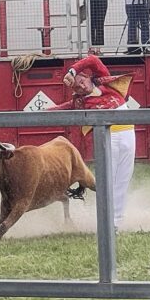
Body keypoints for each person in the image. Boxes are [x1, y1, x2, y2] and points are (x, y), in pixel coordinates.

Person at [49, 54, 135, 229]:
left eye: (81, 81)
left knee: (123, 179)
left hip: (128, 133)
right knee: (107, 180)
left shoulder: (104, 80)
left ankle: (116, 222)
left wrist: (72, 71)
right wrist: (45, 111)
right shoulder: (79, 102)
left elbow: (93, 59)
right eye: (77, 87)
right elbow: (60, 109)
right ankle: (107, 222)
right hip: (107, 138)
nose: (81, 86)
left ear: (87, 77)